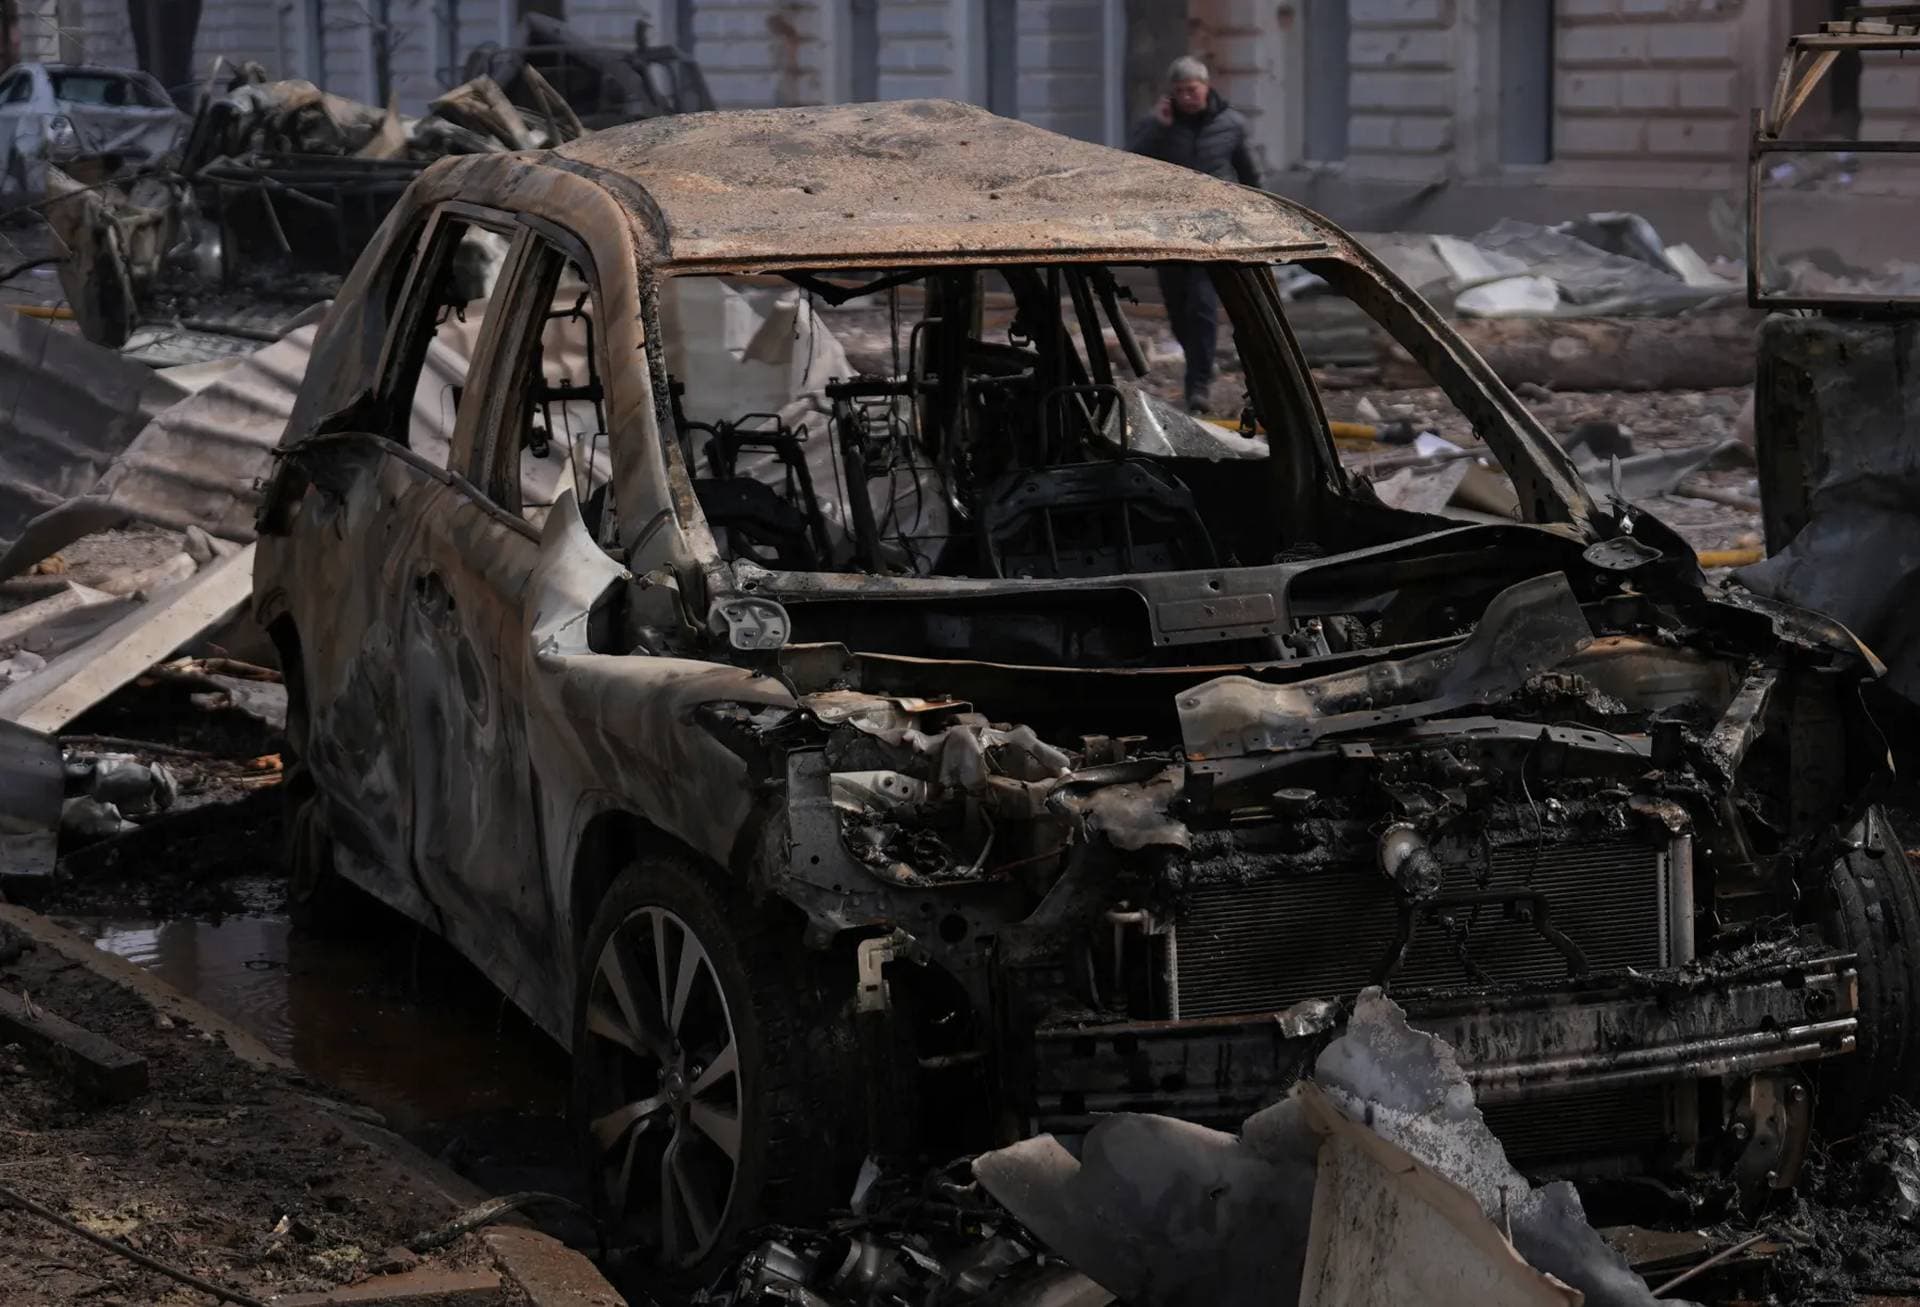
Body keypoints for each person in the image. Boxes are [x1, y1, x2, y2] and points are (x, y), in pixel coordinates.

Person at [1128, 56, 1263, 414]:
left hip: (1214, 230)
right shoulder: (1159, 125)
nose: (1188, 96)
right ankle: (1200, 361)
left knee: (1202, 305)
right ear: (1171, 94)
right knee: (1177, 310)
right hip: (1169, 230)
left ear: (1206, 87)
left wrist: (1258, 219)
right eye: (1181, 91)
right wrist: (1159, 126)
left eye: (1193, 89)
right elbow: (1128, 162)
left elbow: (1251, 175)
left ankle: (1198, 386)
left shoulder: (1230, 124)